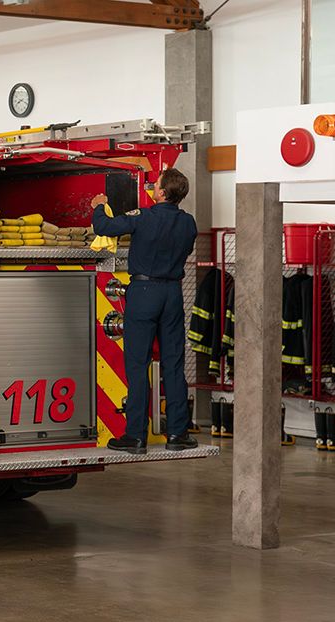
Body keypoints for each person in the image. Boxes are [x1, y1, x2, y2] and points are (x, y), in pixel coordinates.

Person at [91, 168, 199, 454]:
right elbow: (185, 250)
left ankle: (135, 436)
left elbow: (105, 227)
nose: (152, 186)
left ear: (162, 193)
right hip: (173, 293)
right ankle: (178, 433)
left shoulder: (145, 216)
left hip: (144, 292)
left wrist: (99, 206)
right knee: (174, 364)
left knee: (137, 364)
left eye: (156, 184)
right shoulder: (188, 223)